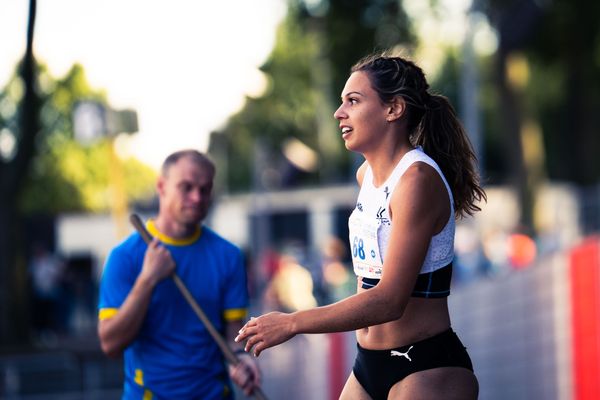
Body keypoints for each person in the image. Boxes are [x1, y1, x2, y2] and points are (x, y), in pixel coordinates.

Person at [235, 53, 486, 400]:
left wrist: (293, 322)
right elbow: (366, 280)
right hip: (367, 364)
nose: (340, 113)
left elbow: (389, 301)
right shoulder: (364, 175)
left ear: (393, 109)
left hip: (425, 364)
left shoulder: (416, 179)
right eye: (341, 103)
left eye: (353, 101)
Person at [97, 150, 260, 399]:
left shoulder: (228, 255)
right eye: (186, 187)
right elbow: (110, 344)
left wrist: (241, 357)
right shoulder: (125, 257)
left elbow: (232, 333)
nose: (197, 197)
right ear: (161, 187)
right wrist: (148, 279)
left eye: (205, 189)